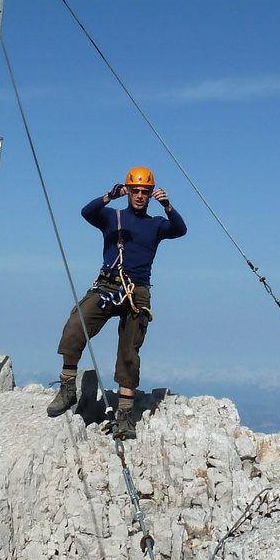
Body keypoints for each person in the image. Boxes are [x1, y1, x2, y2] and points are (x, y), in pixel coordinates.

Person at [46, 167, 187, 439]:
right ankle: (67, 388)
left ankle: (124, 414)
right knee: (76, 325)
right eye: (135, 191)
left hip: (137, 292)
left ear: (150, 195)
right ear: (128, 191)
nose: (139, 196)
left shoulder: (156, 224)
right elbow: (87, 212)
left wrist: (168, 205)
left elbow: (180, 229)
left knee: (129, 352)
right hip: (109, 284)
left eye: (145, 192)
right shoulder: (113, 217)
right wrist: (108, 197)